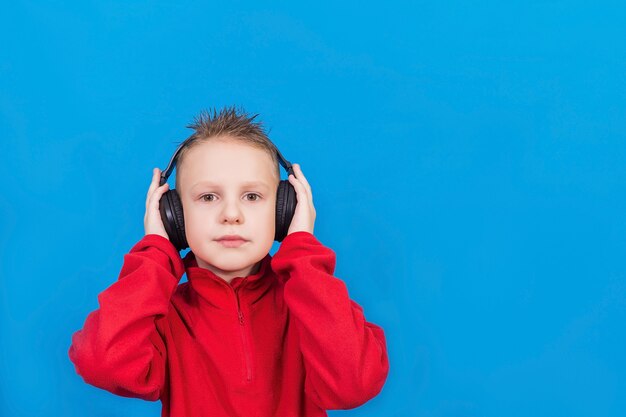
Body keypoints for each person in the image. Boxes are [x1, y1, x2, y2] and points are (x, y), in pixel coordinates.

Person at [68, 106, 390, 417]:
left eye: (252, 196)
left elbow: (355, 383)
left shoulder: (311, 307)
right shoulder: (164, 317)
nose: (231, 215)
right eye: (208, 197)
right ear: (174, 215)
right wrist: (155, 252)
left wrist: (302, 249)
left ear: (285, 209)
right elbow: (102, 361)